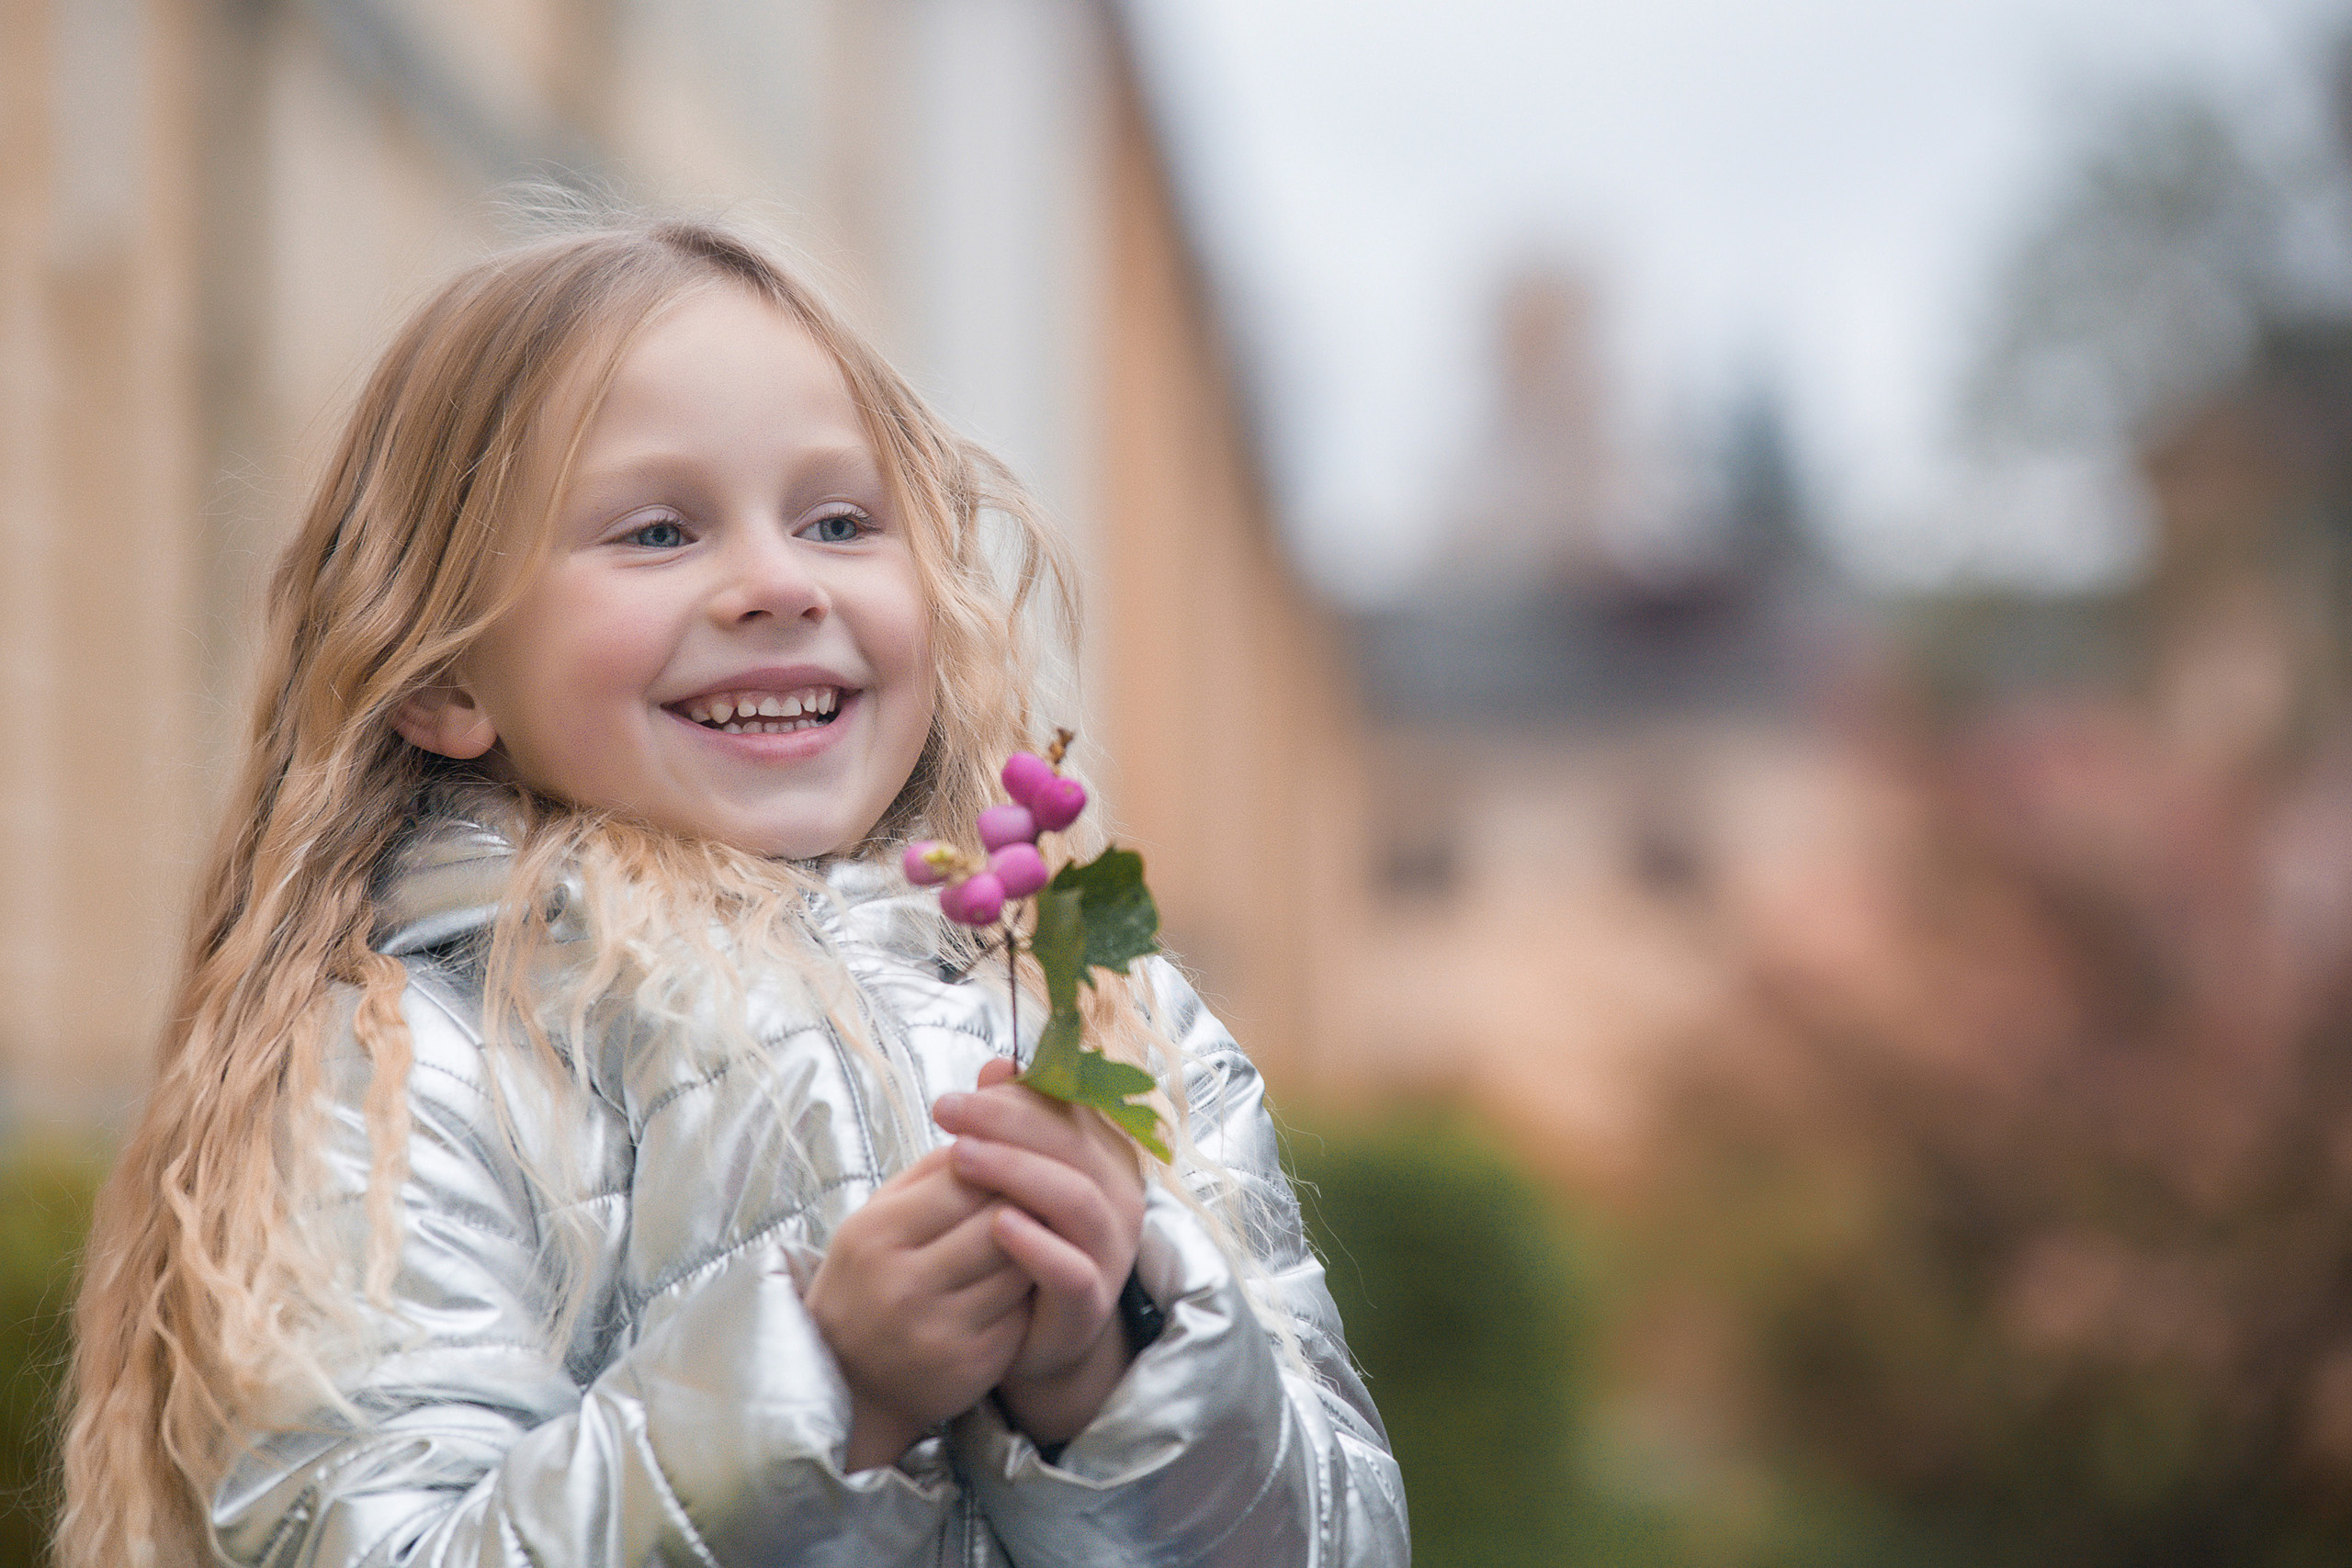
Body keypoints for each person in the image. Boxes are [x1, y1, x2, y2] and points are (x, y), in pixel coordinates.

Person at [58, 217, 1408, 1567]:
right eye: (657, 532)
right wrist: (821, 1384)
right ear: (444, 675)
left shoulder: (1105, 1013)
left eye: (839, 521)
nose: (777, 584)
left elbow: (1345, 1539)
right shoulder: (402, 1066)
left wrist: (1112, 1377)